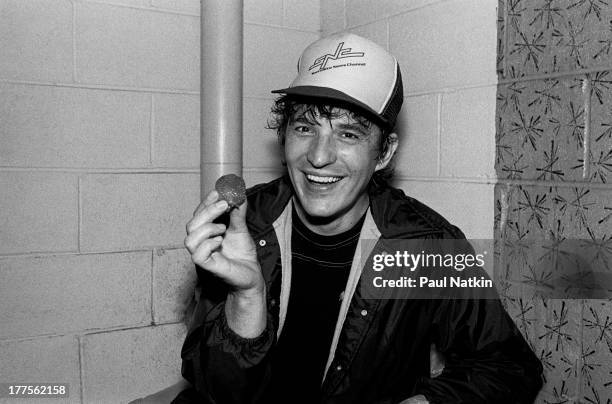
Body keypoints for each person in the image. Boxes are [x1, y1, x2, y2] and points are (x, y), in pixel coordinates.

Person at [175, 33, 543, 404]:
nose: (319, 156)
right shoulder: (244, 224)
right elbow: (214, 390)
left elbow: (510, 368)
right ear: (284, 135)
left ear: (384, 153)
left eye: (348, 134)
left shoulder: (425, 245)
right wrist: (246, 296)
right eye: (305, 128)